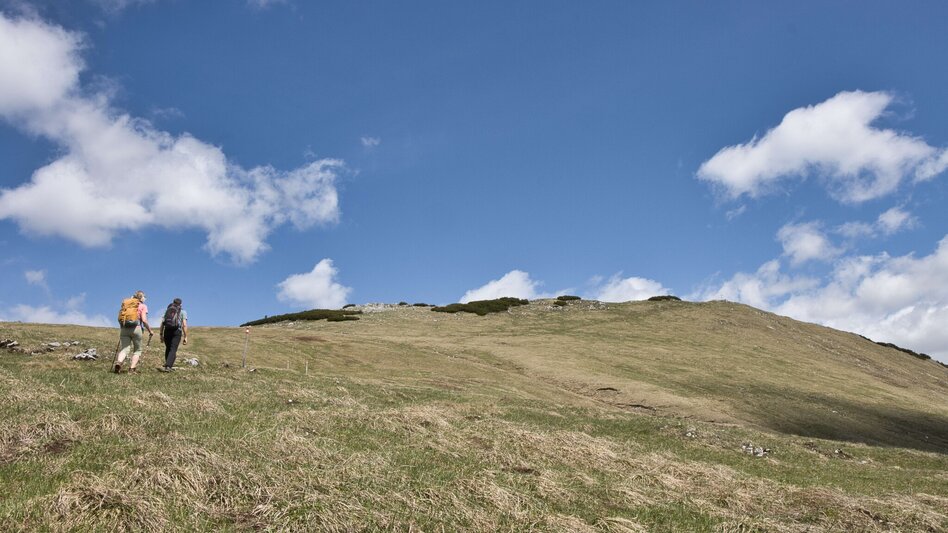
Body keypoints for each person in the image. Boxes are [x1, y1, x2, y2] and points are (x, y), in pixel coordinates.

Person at [114, 290, 153, 374]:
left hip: (124, 328)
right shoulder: (143, 306)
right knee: (137, 350)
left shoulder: (127, 304)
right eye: (144, 297)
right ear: (141, 297)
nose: (145, 299)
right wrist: (150, 330)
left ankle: (119, 362)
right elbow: (144, 320)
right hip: (136, 328)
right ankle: (132, 369)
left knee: (124, 348)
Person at [159, 297, 188, 371]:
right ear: (180, 304)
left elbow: (162, 323)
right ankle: (168, 366)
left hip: (167, 330)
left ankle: (167, 364)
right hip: (177, 331)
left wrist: (161, 334)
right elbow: (184, 324)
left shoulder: (167, 310)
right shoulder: (183, 312)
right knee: (173, 349)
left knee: (168, 348)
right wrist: (185, 336)